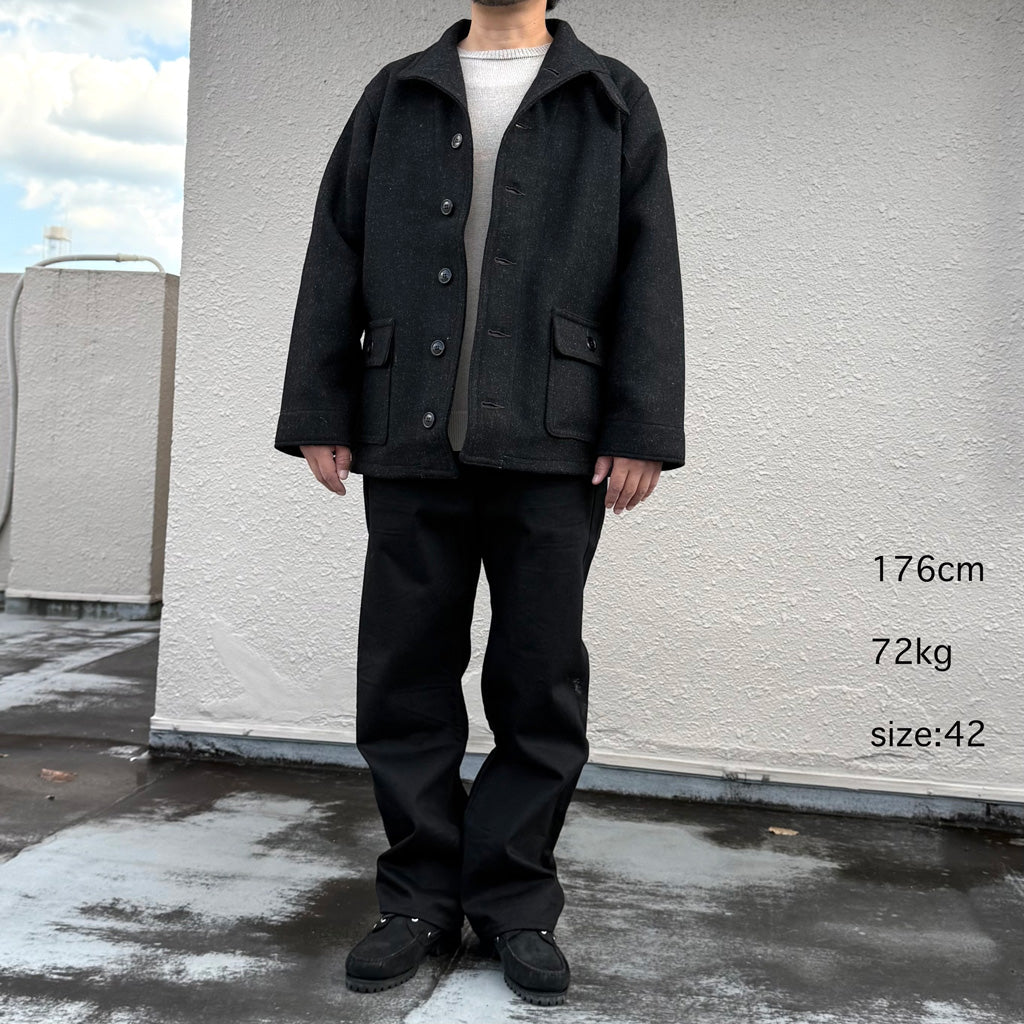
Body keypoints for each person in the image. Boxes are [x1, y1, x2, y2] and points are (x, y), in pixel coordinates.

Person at [274, 0, 685, 1006]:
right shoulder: (397, 93)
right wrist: (319, 405)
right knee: (404, 675)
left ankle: (514, 901)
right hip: (405, 433)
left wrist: (640, 424)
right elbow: (335, 246)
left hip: (554, 440)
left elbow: (649, 263)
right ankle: (417, 897)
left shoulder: (610, 97)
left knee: (540, 680)